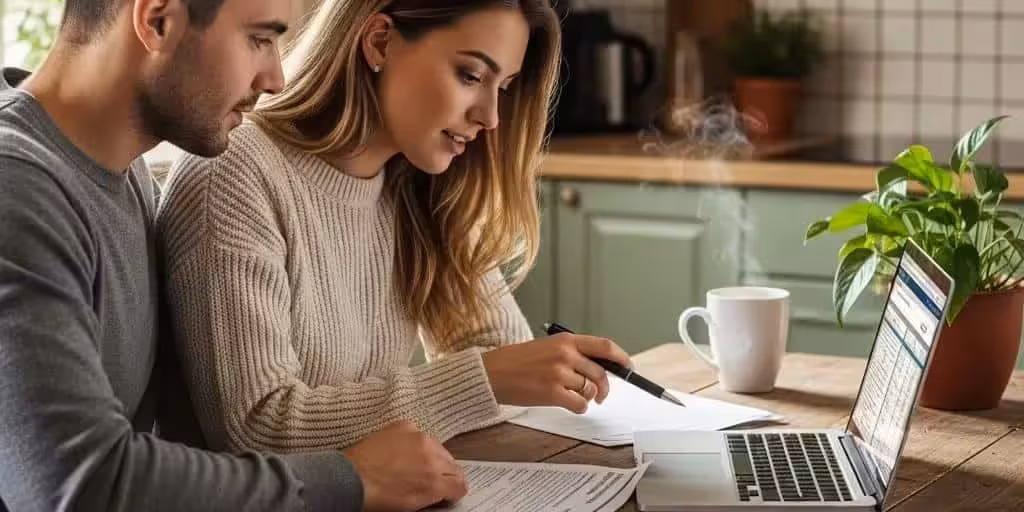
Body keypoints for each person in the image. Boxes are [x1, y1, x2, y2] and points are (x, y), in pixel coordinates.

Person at [0, 0, 469, 510]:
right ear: (157, 20)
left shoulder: (121, 174)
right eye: (259, 39)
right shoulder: (19, 191)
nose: (276, 77)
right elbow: (79, 483)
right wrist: (355, 480)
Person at [156, 0, 636, 456]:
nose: (490, 117)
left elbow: (503, 357)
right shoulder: (235, 173)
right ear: (380, 42)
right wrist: (483, 379)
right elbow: (258, 428)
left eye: (504, 87)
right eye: (470, 75)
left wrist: (503, 372)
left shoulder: (418, 180)